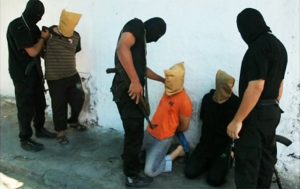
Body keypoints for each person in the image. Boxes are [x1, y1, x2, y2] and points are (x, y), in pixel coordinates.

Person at [226, 8, 288, 189]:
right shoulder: (279, 46)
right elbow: (280, 84)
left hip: (254, 114)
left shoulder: (257, 47)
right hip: (272, 112)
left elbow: (256, 86)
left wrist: (238, 120)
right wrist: (274, 105)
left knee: (248, 162)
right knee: (265, 161)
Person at [110, 17, 166, 188]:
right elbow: (122, 48)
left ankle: (130, 158)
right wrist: (134, 81)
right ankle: (131, 176)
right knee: (134, 133)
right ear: (153, 30)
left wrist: (162, 80)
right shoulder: (136, 25)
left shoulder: (140, 39)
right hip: (127, 91)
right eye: (157, 36)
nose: (155, 40)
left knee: (133, 132)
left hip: (129, 91)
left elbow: (142, 69)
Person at [6, 0, 56, 152]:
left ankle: (39, 129)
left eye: (41, 15)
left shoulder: (33, 27)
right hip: (21, 74)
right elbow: (32, 51)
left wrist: (48, 40)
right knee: (25, 106)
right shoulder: (17, 26)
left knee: (40, 102)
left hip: (35, 72)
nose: (39, 18)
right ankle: (25, 138)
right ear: (30, 12)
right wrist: (42, 39)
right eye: (37, 15)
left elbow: (39, 53)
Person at [184, 70, 239, 186]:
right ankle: (208, 163)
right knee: (190, 172)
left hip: (223, 147)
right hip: (205, 144)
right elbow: (202, 119)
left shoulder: (235, 103)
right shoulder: (208, 99)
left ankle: (227, 159)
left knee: (214, 180)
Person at [142, 62, 192, 178]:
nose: (167, 82)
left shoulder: (185, 101)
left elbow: (184, 126)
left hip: (163, 138)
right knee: (132, 155)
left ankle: (177, 152)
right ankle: (150, 154)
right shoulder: (168, 91)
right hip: (150, 131)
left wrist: (169, 129)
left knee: (149, 171)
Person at [43, 9, 86, 145]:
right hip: (55, 78)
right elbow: (40, 50)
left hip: (72, 74)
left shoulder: (76, 36)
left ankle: (73, 121)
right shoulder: (47, 34)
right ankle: (60, 132)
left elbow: (75, 50)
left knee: (79, 98)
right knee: (59, 105)